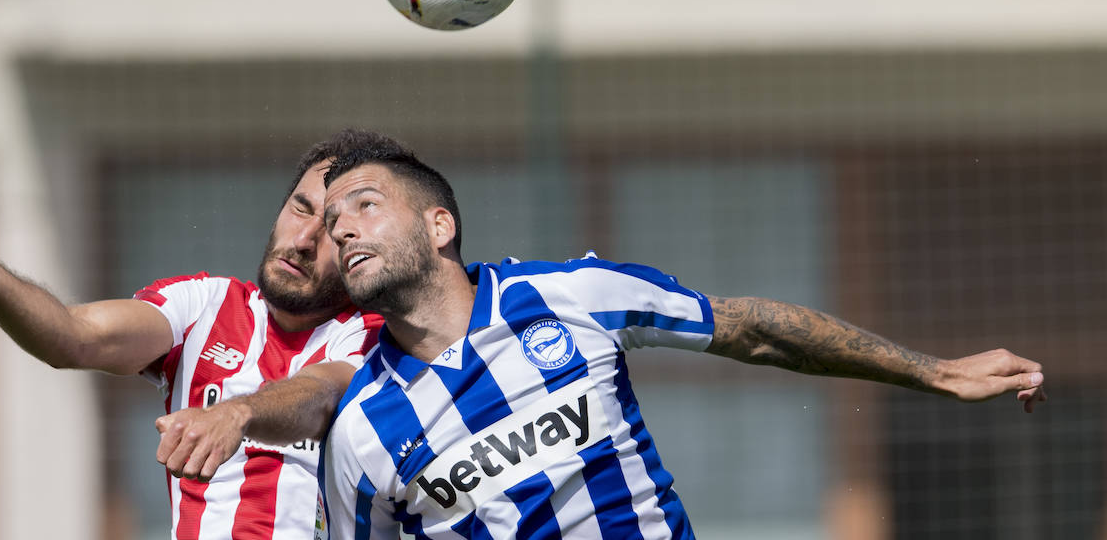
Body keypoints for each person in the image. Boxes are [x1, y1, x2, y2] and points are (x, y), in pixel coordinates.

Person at [317, 137, 1048, 539]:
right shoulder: (360, 432)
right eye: (331, 221)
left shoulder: (571, 296)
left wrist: (938, 371)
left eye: (365, 204)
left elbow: (754, 331)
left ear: (439, 224)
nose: (342, 226)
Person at [0, 130, 388, 540]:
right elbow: (75, 336)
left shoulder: (374, 338)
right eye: (300, 210)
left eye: (330, 228)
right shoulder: (206, 305)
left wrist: (239, 413)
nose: (303, 241)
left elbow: (323, 394)